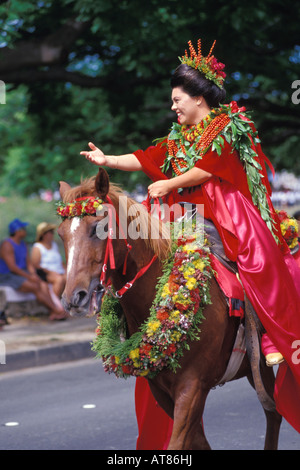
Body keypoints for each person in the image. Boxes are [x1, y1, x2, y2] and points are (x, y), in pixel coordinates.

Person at [80, 39, 300, 437]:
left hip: (221, 215)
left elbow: (209, 169)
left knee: (255, 265)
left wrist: (170, 184)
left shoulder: (229, 125)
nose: (173, 107)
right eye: (173, 101)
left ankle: (266, 338)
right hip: (178, 217)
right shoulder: (177, 137)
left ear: (199, 98)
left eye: (178, 99)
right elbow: (147, 156)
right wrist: (108, 160)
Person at [0, 218, 67, 321]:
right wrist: (29, 277)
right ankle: (56, 310)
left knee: (43, 285)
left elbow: (29, 263)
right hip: (9, 275)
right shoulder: (7, 245)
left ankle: (54, 311)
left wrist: (33, 274)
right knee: (35, 286)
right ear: (17, 231)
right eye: (23, 229)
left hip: (21, 273)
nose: (25, 231)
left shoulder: (23, 244)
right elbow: (12, 267)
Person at [31, 222, 66, 298]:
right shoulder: (37, 247)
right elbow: (36, 265)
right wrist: (51, 272)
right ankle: (55, 302)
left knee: (69, 278)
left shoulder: (54, 245)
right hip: (45, 273)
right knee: (59, 280)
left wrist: (67, 271)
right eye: (50, 232)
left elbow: (60, 261)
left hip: (59, 271)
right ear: (43, 234)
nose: (52, 234)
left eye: (52, 232)